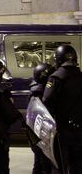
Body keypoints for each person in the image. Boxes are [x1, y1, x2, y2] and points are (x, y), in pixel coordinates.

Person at [43, 45, 82, 174]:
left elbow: (46, 101)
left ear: (58, 59)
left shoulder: (56, 78)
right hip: (79, 128)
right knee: (77, 163)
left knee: (60, 163)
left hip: (62, 129)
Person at [29, 63, 55, 174]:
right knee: (46, 165)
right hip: (44, 135)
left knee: (38, 163)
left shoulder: (33, 91)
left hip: (35, 134)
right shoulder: (44, 94)